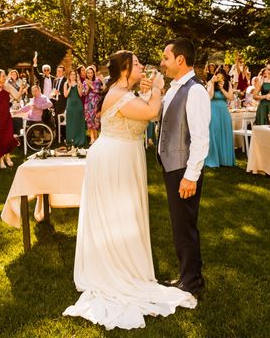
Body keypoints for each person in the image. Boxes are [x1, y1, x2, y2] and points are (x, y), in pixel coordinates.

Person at [63, 51, 196, 330]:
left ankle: (126, 262)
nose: (142, 67)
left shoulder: (124, 92)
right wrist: (158, 89)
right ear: (125, 68)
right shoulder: (118, 93)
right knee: (117, 215)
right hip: (116, 159)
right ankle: (117, 267)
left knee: (124, 216)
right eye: (136, 64)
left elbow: (140, 112)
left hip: (124, 156)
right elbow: (149, 113)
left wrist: (148, 93)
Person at [157, 37, 210, 298]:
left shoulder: (195, 91)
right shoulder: (174, 88)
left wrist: (190, 176)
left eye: (166, 58)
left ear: (180, 59)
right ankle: (187, 275)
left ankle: (192, 282)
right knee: (180, 226)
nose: (162, 62)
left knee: (185, 226)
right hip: (172, 167)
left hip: (183, 170)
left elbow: (200, 138)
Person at [0, 69, 26, 169]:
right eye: (3, 76)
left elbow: (17, 97)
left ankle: (8, 157)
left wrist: (21, 88)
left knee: (8, 137)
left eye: (5, 76)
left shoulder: (8, 87)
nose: (5, 77)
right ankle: (1, 159)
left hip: (7, 116)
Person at [205, 68, 235, 168]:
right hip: (213, 110)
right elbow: (209, 97)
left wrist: (222, 89)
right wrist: (213, 84)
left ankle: (224, 159)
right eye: (218, 76)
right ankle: (213, 159)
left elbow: (230, 97)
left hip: (224, 111)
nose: (220, 78)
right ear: (215, 75)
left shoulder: (228, 84)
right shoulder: (210, 82)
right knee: (214, 133)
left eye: (222, 77)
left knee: (224, 132)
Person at [63, 70, 87, 147]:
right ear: (69, 76)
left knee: (78, 123)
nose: (73, 76)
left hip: (78, 105)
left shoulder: (79, 83)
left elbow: (80, 95)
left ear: (76, 76)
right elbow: (65, 95)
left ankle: (80, 140)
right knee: (71, 123)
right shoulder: (66, 84)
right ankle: (71, 140)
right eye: (71, 74)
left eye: (74, 75)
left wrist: (79, 86)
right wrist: (70, 86)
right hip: (70, 105)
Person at [81, 66, 102, 144]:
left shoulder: (97, 81)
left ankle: (97, 139)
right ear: (86, 74)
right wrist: (87, 87)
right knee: (89, 121)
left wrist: (90, 85)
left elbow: (97, 91)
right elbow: (84, 93)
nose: (90, 74)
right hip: (88, 103)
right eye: (88, 73)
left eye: (91, 73)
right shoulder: (84, 82)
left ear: (93, 73)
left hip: (96, 103)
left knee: (96, 121)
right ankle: (92, 139)